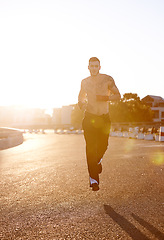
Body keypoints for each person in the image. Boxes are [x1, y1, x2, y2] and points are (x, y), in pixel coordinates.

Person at [78, 57, 121, 191]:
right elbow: (80, 97)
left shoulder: (107, 79)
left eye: (96, 66)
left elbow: (118, 95)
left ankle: (97, 162)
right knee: (90, 148)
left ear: (100, 67)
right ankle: (93, 179)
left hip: (104, 118)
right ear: (88, 67)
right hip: (89, 118)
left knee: (103, 145)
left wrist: (105, 98)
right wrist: (81, 103)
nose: (94, 68)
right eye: (92, 66)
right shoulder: (84, 82)